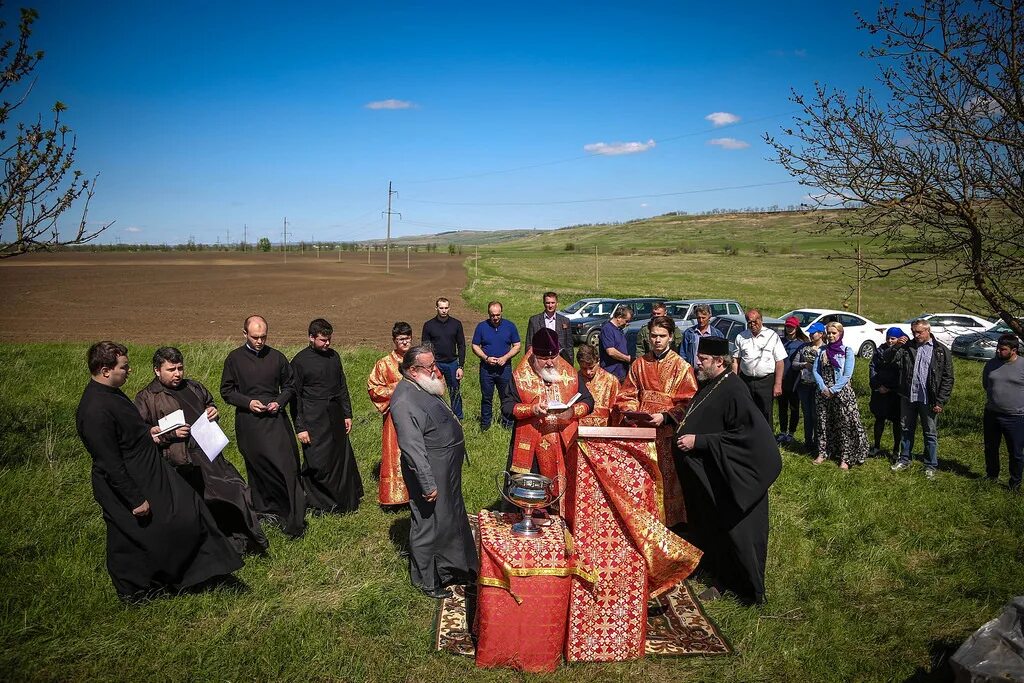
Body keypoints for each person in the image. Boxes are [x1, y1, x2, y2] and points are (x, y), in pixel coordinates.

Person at [77, 342, 242, 601]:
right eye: (124, 366)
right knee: (131, 536)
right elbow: (108, 461)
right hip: (130, 481)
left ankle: (195, 573)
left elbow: (127, 432)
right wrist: (135, 499)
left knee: (189, 511)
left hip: (150, 470)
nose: (129, 370)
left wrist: (149, 433)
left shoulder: (113, 394)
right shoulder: (94, 409)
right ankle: (136, 590)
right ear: (105, 370)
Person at [674, 336, 783, 606]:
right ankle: (719, 577)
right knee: (714, 530)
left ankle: (746, 589)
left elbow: (747, 436)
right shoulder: (712, 384)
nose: (698, 363)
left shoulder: (734, 390)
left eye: (704, 359)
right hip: (716, 475)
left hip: (737, 479)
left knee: (738, 535)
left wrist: (700, 441)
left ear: (719, 361)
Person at [135, 347, 269, 556]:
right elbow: (141, 433)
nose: (177, 374)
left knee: (237, 490)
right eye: (171, 369)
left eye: (180, 368)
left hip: (210, 452)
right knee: (203, 503)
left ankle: (246, 542)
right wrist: (169, 434)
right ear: (157, 370)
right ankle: (214, 547)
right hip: (182, 461)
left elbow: (208, 402)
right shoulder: (147, 397)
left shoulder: (193, 386)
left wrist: (212, 410)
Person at [390, 344, 478, 599]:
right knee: (429, 523)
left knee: (450, 516)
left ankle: (452, 568)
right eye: (430, 367)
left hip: (446, 467)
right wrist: (427, 483)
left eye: (434, 364)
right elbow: (412, 447)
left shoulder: (423, 385)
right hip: (430, 470)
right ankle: (426, 579)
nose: (436, 370)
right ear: (413, 370)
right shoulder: (404, 399)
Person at [221, 315, 307, 538]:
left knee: (286, 465)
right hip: (249, 423)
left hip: (275, 419)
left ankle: (293, 516)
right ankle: (265, 510)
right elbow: (227, 391)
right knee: (258, 467)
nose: (260, 341)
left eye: (263, 337)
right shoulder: (234, 359)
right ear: (245, 335)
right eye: (255, 337)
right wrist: (248, 402)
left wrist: (279, 401)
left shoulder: (277, 357)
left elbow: (290, 386)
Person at [616, 316, 698, 526]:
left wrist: (664, 416)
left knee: (668, 480)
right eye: (654, 336)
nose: (657, 340)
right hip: (641, 432)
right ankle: (642, 521)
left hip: (667, 433)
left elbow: (689, 402)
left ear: (670, 337)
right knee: (642, 479)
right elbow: (627, 395)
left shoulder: (682, 367)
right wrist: (633, 412)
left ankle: (670, 524)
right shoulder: (639, 364)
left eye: (662, 336)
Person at [500, 328, 594, 497]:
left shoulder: (569, 373)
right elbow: (506, 407)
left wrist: (571, 412)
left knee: (565, 491)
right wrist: (532, 409)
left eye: (553, 357)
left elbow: (588, 401)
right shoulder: (520, 376)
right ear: (535, 356)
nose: (550, 363)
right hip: (532, 447)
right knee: (530, 496)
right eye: (544, 358)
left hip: (564, 444)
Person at [291, 318, 364, 514]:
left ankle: (344, 500)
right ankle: (319, 502)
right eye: (323, 340)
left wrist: (347, 414)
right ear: (311, 337)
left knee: (339, 457)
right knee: (318, 461)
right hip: (313, 418)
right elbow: (295, 397)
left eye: (329, 339)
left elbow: (342, 386)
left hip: (335, 414)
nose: (327, 343)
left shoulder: (334, 357)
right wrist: (301, 427)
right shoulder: (299, 362)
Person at [889, 318, 955, 479]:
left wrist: (941, 400)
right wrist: (897, 346)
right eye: (914, 332)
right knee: (906, 429)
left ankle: (930, 465)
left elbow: (947, 377)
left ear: (928, 330)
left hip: (929, 399)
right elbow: (889, 360)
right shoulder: (908, 347)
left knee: (930, 432)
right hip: (908, 396)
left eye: (919, 332)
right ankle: (904, 459)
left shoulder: (940, 350)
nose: (916, 335)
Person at [367, 322, 414, 506]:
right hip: (394, 418)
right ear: (394, 341)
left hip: (417, 417)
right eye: (401, 339)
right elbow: (373, 388)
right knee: (395, 455)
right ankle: (395, 497)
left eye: (408, 338)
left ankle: (416, 493)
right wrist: (397, 388)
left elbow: (434, 379)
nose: (405, 342)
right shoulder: (384, 364)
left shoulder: (417, 360)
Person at [811, 322, 869, 469]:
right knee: (823, 423)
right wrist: (823, 388)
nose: (830, 335)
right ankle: (823, 453)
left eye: (834, 333)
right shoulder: (821, 351)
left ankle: (846, 457)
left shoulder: (847, 351)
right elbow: (816, 371)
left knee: (845, 425)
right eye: (828, 333)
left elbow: (847, 374)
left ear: (840, 334)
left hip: (841, 393)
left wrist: (833, 390)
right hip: (823, 392)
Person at [982, 334, 1024, 491]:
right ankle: (992, 475)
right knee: (990, 448)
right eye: (998, 348)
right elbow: (986, 384)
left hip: (1016, 417)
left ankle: (1015, 483)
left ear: (1014, 350)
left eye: (1003, 349)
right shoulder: (991, 364)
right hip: (992, 414)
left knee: (1016, 452)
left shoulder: (1022, 366)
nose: (998, 351)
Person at [732, 308, 787, 427]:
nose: (752, 324)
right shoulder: (741, 337)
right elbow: (736, 360)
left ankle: (767, 441)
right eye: (749, 322)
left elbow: (780, 361)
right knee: (746, 410)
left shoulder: (772, 336)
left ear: (761, 320)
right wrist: (734, 381)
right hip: (746, 380)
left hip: (766, 381)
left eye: (755, 321)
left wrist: (778, 384)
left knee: (765, 411)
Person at [471, 301, 521, 430]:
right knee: (487, 397)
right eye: (492, 315)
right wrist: (485, 358)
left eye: (498, 315)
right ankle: (485, 425)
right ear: (489, 314)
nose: (495, 318)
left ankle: (507, 424)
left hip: (504, 369)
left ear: (501, 313)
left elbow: (517, 345)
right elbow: (475, 345)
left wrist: (505, 358)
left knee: (506, 397)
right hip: (486, 369)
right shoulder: (481, 327)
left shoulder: (510, 326)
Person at [421, 297, 466, 419]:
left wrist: (460, 366)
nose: (444, 310)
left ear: (449, 308)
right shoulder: (429, 325)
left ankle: (458, 417)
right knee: (434, 391)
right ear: (436, 308)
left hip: (452, 363)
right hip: (435, 364)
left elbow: (461, 345)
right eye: (441, 308)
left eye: (446, 308)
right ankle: (435, 416)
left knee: (454, 391)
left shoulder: (456, 324)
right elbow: (425, 347)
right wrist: (429, 366)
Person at [869, 328, 907, 457]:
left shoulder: (904, 351)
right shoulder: (880, 350)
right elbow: (873, 368)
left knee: (897, 422)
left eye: (893, 338)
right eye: (888, 338)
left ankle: (896, 449)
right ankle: (877, 446)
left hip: (895, 392)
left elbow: (903, 372)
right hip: (880, 391)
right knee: (879, 419)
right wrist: (877, 385)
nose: (890, 341)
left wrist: (894, 388)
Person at [792, 322, 826, 452]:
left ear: (821, 334)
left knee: (816, 415)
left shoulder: (825, 349)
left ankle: (819, 443)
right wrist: (804, 364)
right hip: (804, 386)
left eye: (814, 332)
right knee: (807, 415)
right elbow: (795, 364)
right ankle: (808, 442)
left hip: (818, 387)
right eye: (810, 333)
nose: (811, 335)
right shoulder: (803, 347)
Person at [776, 317, 809, 444]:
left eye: (792, 327)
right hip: (781, 379)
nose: (789, 329)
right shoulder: (780, 341)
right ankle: (783, 431)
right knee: (782, 407)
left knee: (794, 407)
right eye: (788, 326)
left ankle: (791, 433)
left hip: (795, 380)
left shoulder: (802, 343)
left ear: (797, 328)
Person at [525, 291, 574, 365]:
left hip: (560, 360)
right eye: (548, 303)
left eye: (553, 303)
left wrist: (570, 363)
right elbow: (529, 344)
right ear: (544, 303)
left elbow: (569, 345)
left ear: (557, 303)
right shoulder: (534, 321)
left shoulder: (565, 321)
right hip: (541, 361)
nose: (550, 305)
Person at [577, 344, 620, 426]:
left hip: (604, 430)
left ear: (598, 361)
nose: (588, 372)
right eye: (584, 368)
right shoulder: (574, 380)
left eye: (591, 367)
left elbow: (616, 410)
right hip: (580, 431)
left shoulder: (611, 380)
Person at [599, 305, 633, 382]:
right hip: (611, 373)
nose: (627, 324)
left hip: (622, 372)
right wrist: (628, 358)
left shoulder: (619, 330)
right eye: (626, 321)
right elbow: (611, 351)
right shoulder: (607, 329)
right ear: (619, 317)